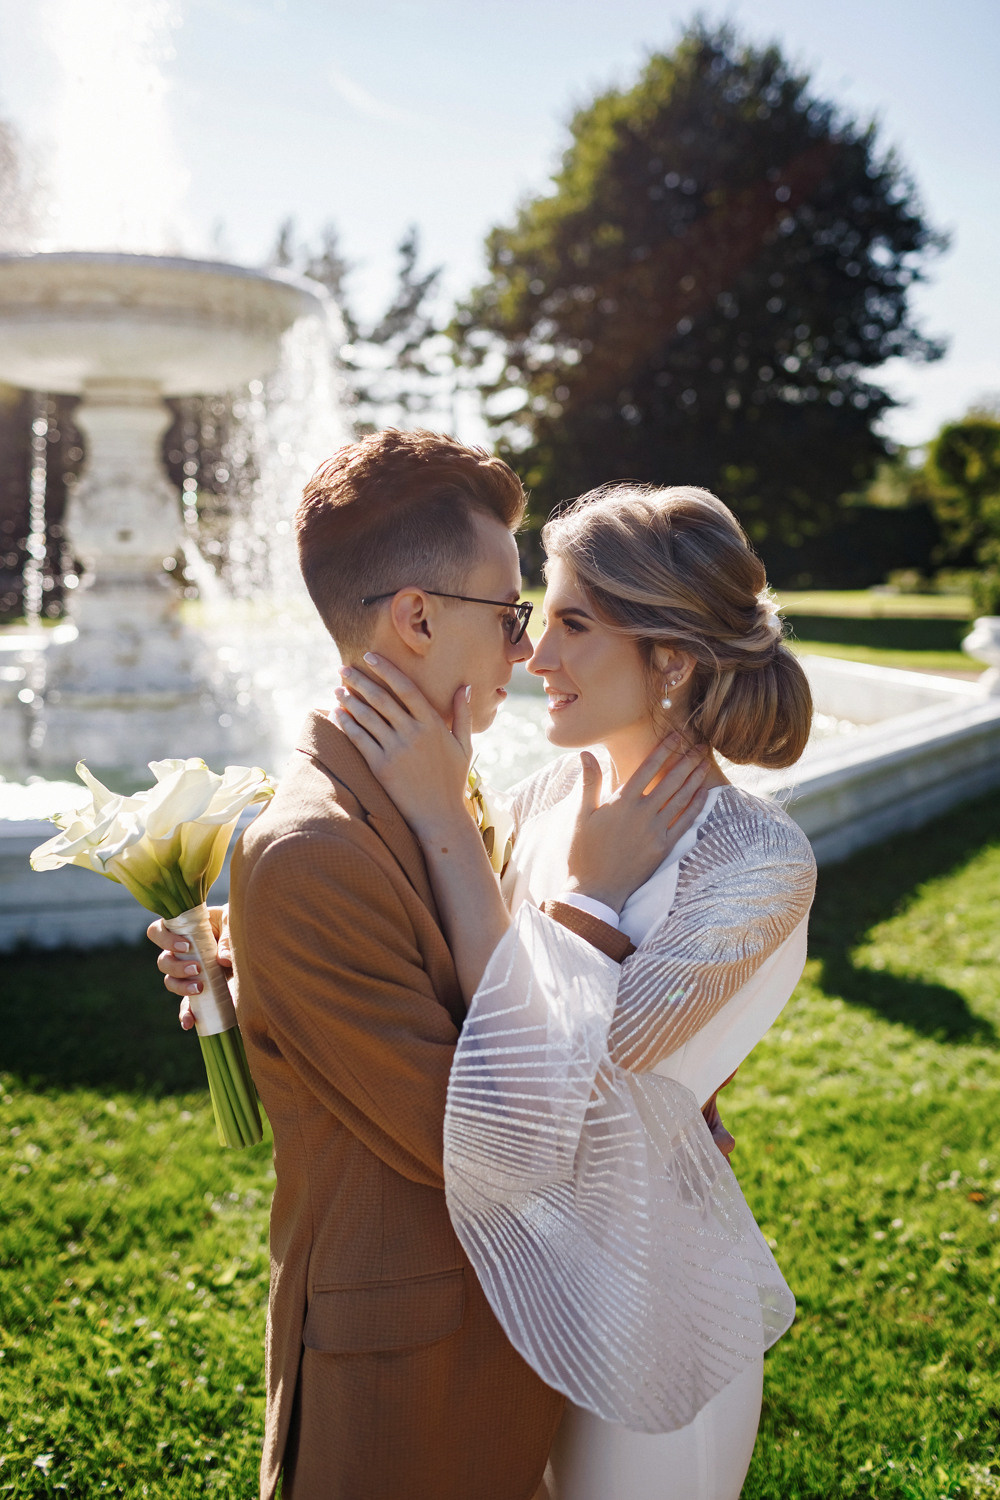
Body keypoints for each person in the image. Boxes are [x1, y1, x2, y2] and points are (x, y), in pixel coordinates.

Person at [148, 432, 717, 1500]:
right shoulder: (314, 849)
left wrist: (249, 957)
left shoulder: (432, 789)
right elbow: (497, 1150)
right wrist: (591, 901)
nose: (524, 651)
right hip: (402, 1383)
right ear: (416, 617)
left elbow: (457, 972)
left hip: (501, 1340)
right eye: (509, 618)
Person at [329, 482, 818, 1500]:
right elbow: (433, 962)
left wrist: (445, 823)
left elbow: (569, 1085)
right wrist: (239, 959)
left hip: (651, 1305)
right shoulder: (544, 798)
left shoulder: (755, 857)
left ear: (671, 655)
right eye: (536, 620)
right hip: (503, 1282)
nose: (533, 657)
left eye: (572, 624)